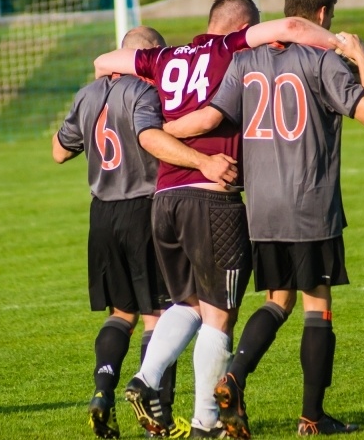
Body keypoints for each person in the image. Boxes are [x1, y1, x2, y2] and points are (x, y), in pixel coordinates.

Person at [94, 0, 341, 438]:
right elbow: (291, 28)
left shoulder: (163, 56)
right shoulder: (227, 49)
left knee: (186, 303)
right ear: (239, 26)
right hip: (211, 199)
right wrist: (340, 43)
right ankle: (207, 420)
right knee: (219, 314)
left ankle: (143, 379)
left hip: (165, 199)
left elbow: (103, 61)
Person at [163, 0, 364, 438]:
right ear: (322, 15)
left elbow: (208, 117)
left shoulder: (244, 62)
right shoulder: (323, 60)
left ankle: (233, 378)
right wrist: (363, 61)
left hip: (261, 210)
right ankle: (311, 417)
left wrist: (161, 134)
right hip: (310, 204)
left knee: (276, 300)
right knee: (317, 306)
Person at [53, 25, 239, 440]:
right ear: (147, 57)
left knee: (121, 314)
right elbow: (154, 137)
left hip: (101, 214)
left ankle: (102, 393)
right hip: (143, 207)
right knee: (160, 312)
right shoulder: (146, 93)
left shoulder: (87, 94)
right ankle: (159, 417)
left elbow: (58, 151)